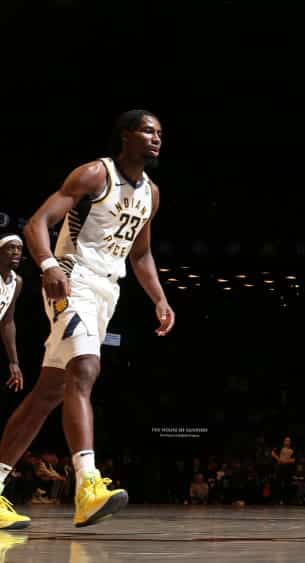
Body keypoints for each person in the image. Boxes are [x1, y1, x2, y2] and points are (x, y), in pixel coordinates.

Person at [0, 109, 175, 530]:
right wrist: (48, 266)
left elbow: (140, 254)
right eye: (147, 130)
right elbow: (38, 223)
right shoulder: (96, 174)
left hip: (106, 292)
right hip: (71, 279)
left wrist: (160, 298)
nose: (156, 138)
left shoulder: (151, 194)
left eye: (160, 133)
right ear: (125, 135)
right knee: (85, 368)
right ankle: (88, 486)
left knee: (48, 394)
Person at [0, 234, 24, 396]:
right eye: (11, 248)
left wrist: (14, 362)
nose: (16, 252)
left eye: (19, 248)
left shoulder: (17, 282)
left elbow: (7, 322)